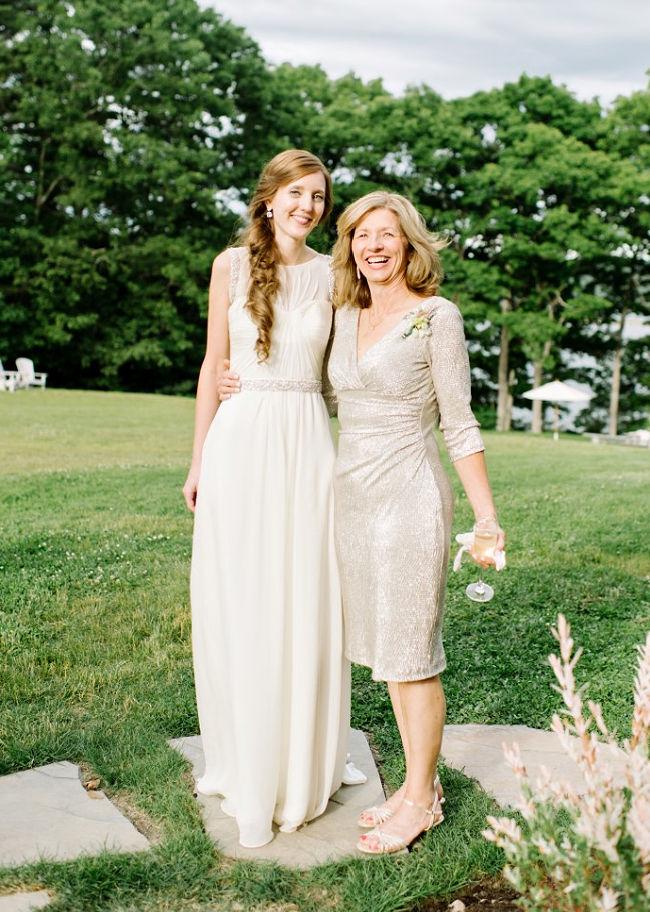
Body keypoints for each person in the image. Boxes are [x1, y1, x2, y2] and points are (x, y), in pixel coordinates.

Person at [183, 149, 361, 850]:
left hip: (308, 443)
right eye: (297, 193)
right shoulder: (229, 267)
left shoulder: (332, 273)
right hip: (241, 442)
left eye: (318, 197)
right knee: (245, 597)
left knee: (307, 596)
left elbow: (347, 365)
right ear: (269, 198)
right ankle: (245, 757)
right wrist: (197, 459)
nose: (308, 206)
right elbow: (212, 366)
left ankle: (305, 759)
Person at [327, 191, 505, 855]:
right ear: (350, 246)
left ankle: (423, 797)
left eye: (386, 235)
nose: (373, 246)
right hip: (351, 501)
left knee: (411, 654)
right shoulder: (346, 314)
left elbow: (459, 421)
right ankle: (411, 786)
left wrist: (486, 516)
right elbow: (322, 393)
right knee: (388, 656)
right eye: (361, 236)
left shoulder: (436, 317)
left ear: (409, 245)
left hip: (409, 498)